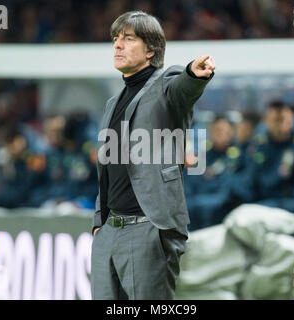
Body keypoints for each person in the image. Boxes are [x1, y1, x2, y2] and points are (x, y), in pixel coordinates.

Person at [90, 11, 215, 300]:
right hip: (110, 231)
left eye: (128, 39)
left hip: (148, 229)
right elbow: (106, 168)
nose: (117, 45)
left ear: (150, 51)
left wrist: (193, 75)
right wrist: (100, 222)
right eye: (116, 39)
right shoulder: (112, 102)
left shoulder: (166, 82)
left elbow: (183, 89)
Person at [185, 115, 235, 230]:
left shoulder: (238, 157)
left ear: (231, 133)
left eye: (224, 131)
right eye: (216, 130)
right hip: (194, 208)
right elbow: (188, 186)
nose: (220, 134)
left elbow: (229, 192)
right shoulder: (201, 157)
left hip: (220, 210)